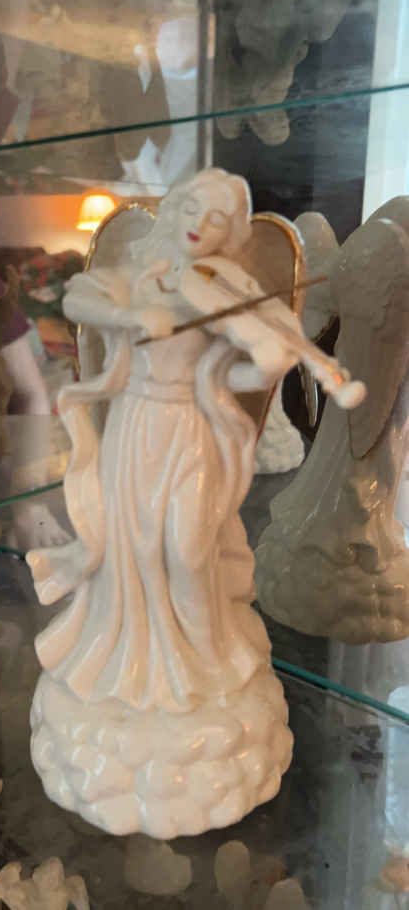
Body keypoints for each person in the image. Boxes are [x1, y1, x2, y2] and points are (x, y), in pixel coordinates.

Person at [28, 168, 302, 712]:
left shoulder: (223, 288)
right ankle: (142, 664)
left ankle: (207, 663)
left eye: (217, 218)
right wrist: (130, 315)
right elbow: (78, 300)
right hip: (135, 428)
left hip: (193, 431)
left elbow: (237, 375)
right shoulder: (139, 277)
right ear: (173, 210)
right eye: (191, 209)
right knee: (135, 552)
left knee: (188, 549)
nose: (200, 224)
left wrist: (268, 362)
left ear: (230, 233)